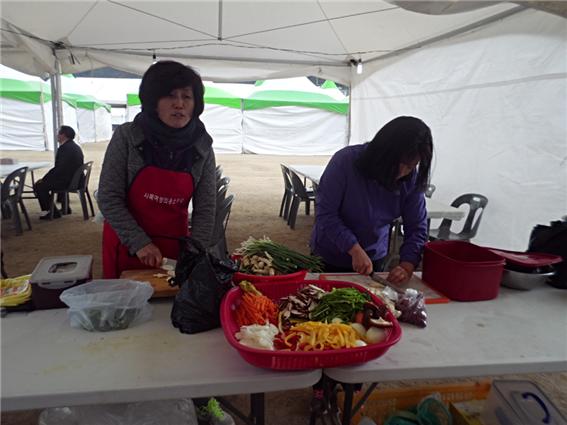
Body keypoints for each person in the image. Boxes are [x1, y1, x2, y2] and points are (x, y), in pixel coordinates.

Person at [97, 60, 233, 425]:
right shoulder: (128, 138)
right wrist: (139, 242)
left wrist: (195, 253)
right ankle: (129, 399)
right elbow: (108, 197)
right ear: (152, 101)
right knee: (128, 330)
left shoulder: (202, 145)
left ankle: (191, 401)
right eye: (170, 96)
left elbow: (206, 206)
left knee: (178, 331)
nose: (179, 104)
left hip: (175, 250)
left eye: (187, 97)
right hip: (126, 248)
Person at [310, 116, 433, 284]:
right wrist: (353, 248)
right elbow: (326, 214)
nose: (402, 172)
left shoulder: (411, 179)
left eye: (410, 166)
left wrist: (407, 265)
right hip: (330, 254)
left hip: (374, 256)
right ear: (383, 152)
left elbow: (417, 227)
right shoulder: (345, 162)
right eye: (399, 163)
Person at [34, 125, 84, 219]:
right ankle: (65, 208)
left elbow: (59, 169)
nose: (57, 135)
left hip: (69, 181)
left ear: (63, 135)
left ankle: (51, 212)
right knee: (50, 181)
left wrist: (44, 179)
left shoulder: (64, 148)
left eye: (58, 133)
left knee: (39, 186)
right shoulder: (74, 146)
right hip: (76, 179)